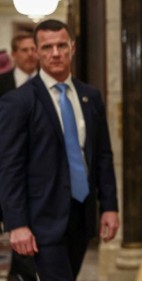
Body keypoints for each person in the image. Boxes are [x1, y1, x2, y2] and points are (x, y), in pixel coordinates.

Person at [0, 19, 120, 281]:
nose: (55, 53)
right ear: (38, 50)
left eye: (61, 46)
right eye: (47, 47)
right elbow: (10, 167)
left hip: (81, 216)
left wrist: (110, 206)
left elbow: (102, 155)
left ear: (72, 48)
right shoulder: (18, 101)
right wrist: (16, 224)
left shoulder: (91, 96)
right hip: (41, 219)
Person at [0, 33, 39, 281]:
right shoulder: (2, 84)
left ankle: (21, 271)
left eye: (33, 49)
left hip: (36, 171)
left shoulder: (46, 84)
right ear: (14, 54)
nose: (30, 54)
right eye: (24, 50)